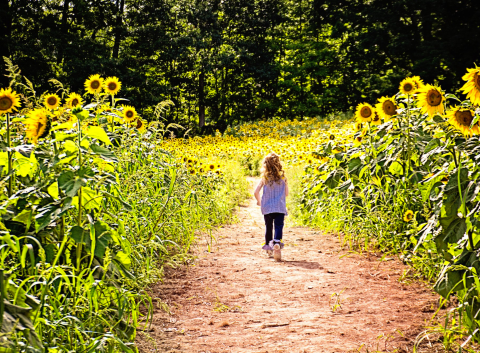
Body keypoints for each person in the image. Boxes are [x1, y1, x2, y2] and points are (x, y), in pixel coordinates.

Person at [254, 152, 289, 261]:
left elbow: (256, 192)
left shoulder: (264, 178)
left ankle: (269, 249)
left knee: (268, 227)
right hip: (279, 207)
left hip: (267, 208)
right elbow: (286, 193)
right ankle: (277, 242)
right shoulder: (283, 177)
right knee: (278, 225)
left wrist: (259, 202)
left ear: (265, 165)